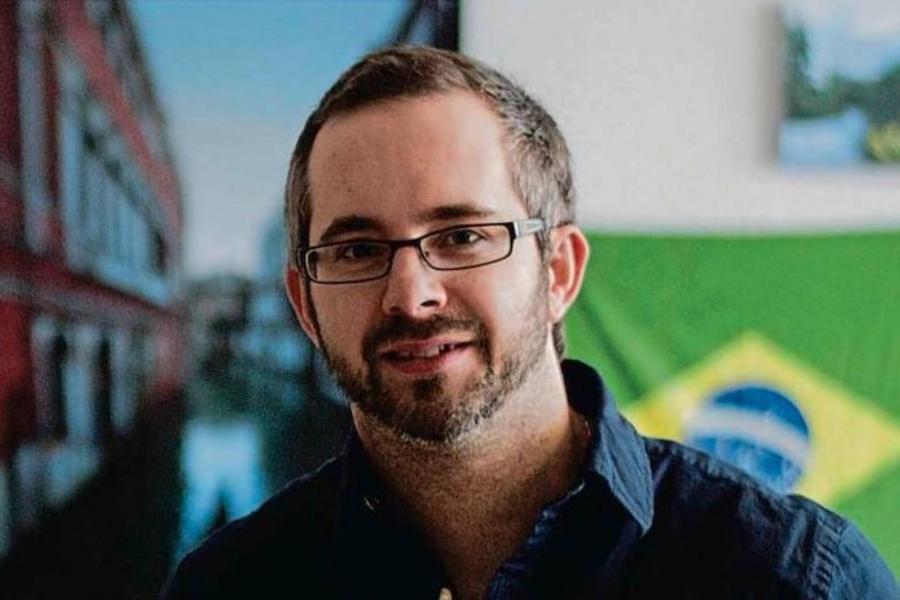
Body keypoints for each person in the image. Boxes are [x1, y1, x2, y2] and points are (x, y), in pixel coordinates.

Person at [163, 47, 898, 599]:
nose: (410, 294)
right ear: (305, 305)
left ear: (558, 271)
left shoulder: (792, 579)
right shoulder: (229, 586)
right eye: (357, 249)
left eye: (462, 236)